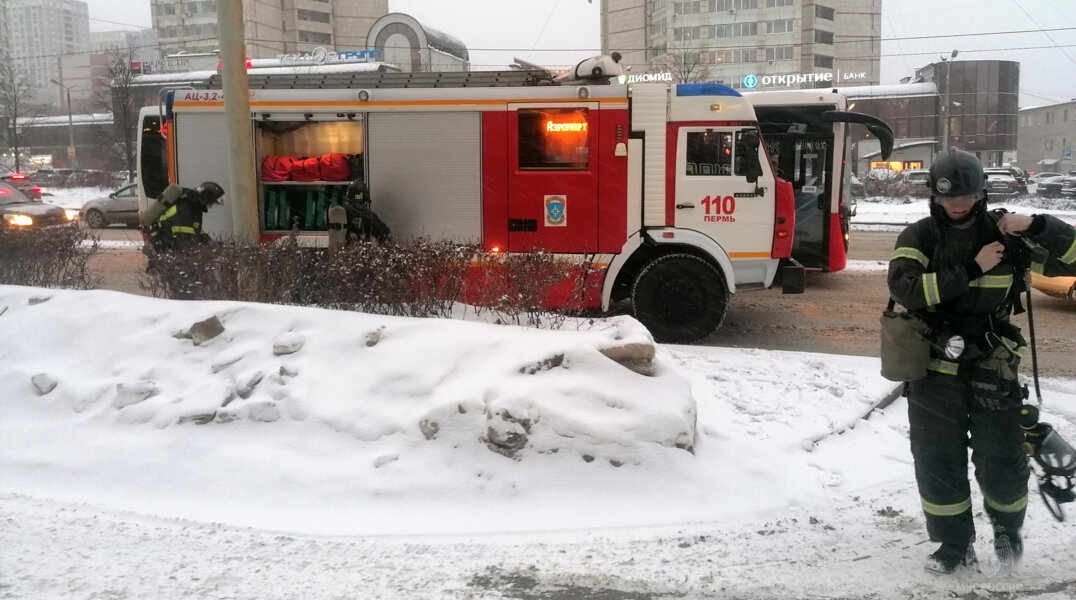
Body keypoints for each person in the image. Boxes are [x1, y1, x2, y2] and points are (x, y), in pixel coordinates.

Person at [887, 149, 1076, 574]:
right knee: (937, 460)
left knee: (1002, 457)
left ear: (981, 193)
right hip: (934, 367)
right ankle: (954, 545)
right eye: (948, 197)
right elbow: (906, 290)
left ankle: (1007, 528)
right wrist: (972, 268)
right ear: (934, 197)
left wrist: (1038, 226)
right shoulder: (919, 236)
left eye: (967, 195)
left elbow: (1074, 258)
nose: (958, 204)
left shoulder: (1008, 234)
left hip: (993, 365)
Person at [148, 181, 226, 252]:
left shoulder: (194, 209)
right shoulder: (185, 211)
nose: (210, 207)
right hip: (162, 249)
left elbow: (197, 233)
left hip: (167, 247)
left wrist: (212, 244)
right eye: (210, 203)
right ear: (206, 199)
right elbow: (184, 242)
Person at [340, 180, 390, 244]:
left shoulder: (341, 213)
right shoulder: (370, 217)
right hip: (363, 251)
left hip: (344, 251)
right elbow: (385, 234)